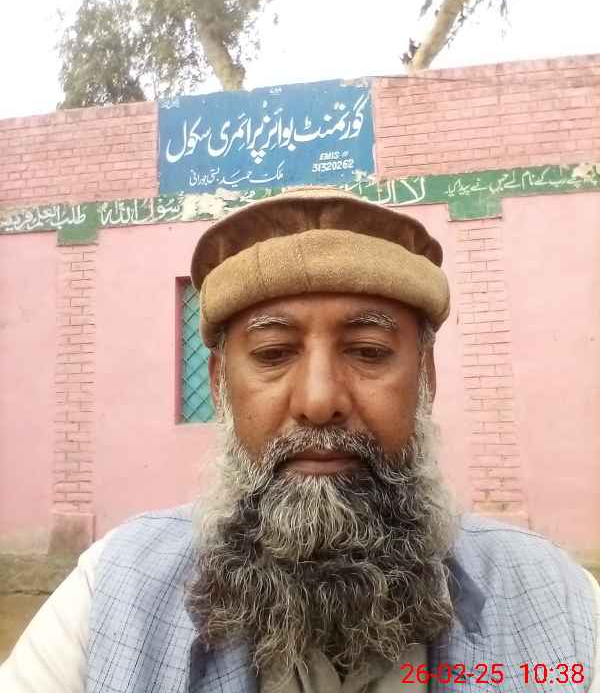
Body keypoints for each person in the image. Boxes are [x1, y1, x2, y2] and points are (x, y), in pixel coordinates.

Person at [1, 185, 599, 693]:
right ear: (220, 385)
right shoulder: (111, 597)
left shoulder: (561, 607)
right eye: (273, 353)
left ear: (426, 378)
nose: (318, 400)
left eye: (368, 352)